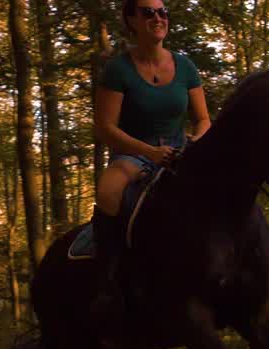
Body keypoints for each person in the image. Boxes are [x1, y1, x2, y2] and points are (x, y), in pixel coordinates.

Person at [91, 0, 210, 324]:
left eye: (162, 12)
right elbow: (105, 128)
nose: (158, 17)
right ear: (131, 20)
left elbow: (203, 120)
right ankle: (108, 282)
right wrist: (148, 151)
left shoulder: (185, 67)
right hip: (133, 154)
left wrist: (196, 141)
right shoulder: (118, 69)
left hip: (180, 152)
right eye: (148, 12)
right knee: (108, 191)